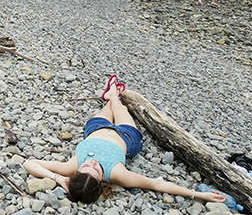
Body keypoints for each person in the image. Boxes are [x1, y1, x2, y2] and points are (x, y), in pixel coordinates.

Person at [23, 75, 227, 205]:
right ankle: (114, 94)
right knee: (121, 109)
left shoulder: (72, 166)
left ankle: (111, 95)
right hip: (126, 136)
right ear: (101, 181)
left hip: (96, 129)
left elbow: (28, 163)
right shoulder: (118, 174)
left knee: (106, 109)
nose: (92, 163)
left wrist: (58, 178)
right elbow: (157, 185)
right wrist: (199, 195)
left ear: (76, 173)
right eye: (95, 170)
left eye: (87, 166)